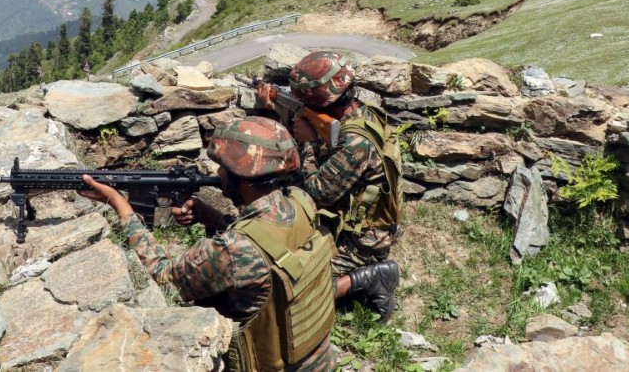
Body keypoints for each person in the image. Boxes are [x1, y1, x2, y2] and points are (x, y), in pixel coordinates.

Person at [79, 116, 336, 372]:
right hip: (318, 358)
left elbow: (164, 277)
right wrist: (216, 219)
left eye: (222, 167)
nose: (218, 173)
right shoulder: (302, 202)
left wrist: (121, 207)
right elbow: (270, 246)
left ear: (240, 176)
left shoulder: (233, 250)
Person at [258, 50, 401, 321]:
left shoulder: (357, 143)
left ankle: (371, 277)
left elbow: (316, 194)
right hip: (353, 221)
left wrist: (309, 143)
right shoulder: (362, 114)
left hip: (362, 241)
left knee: (289, 291)